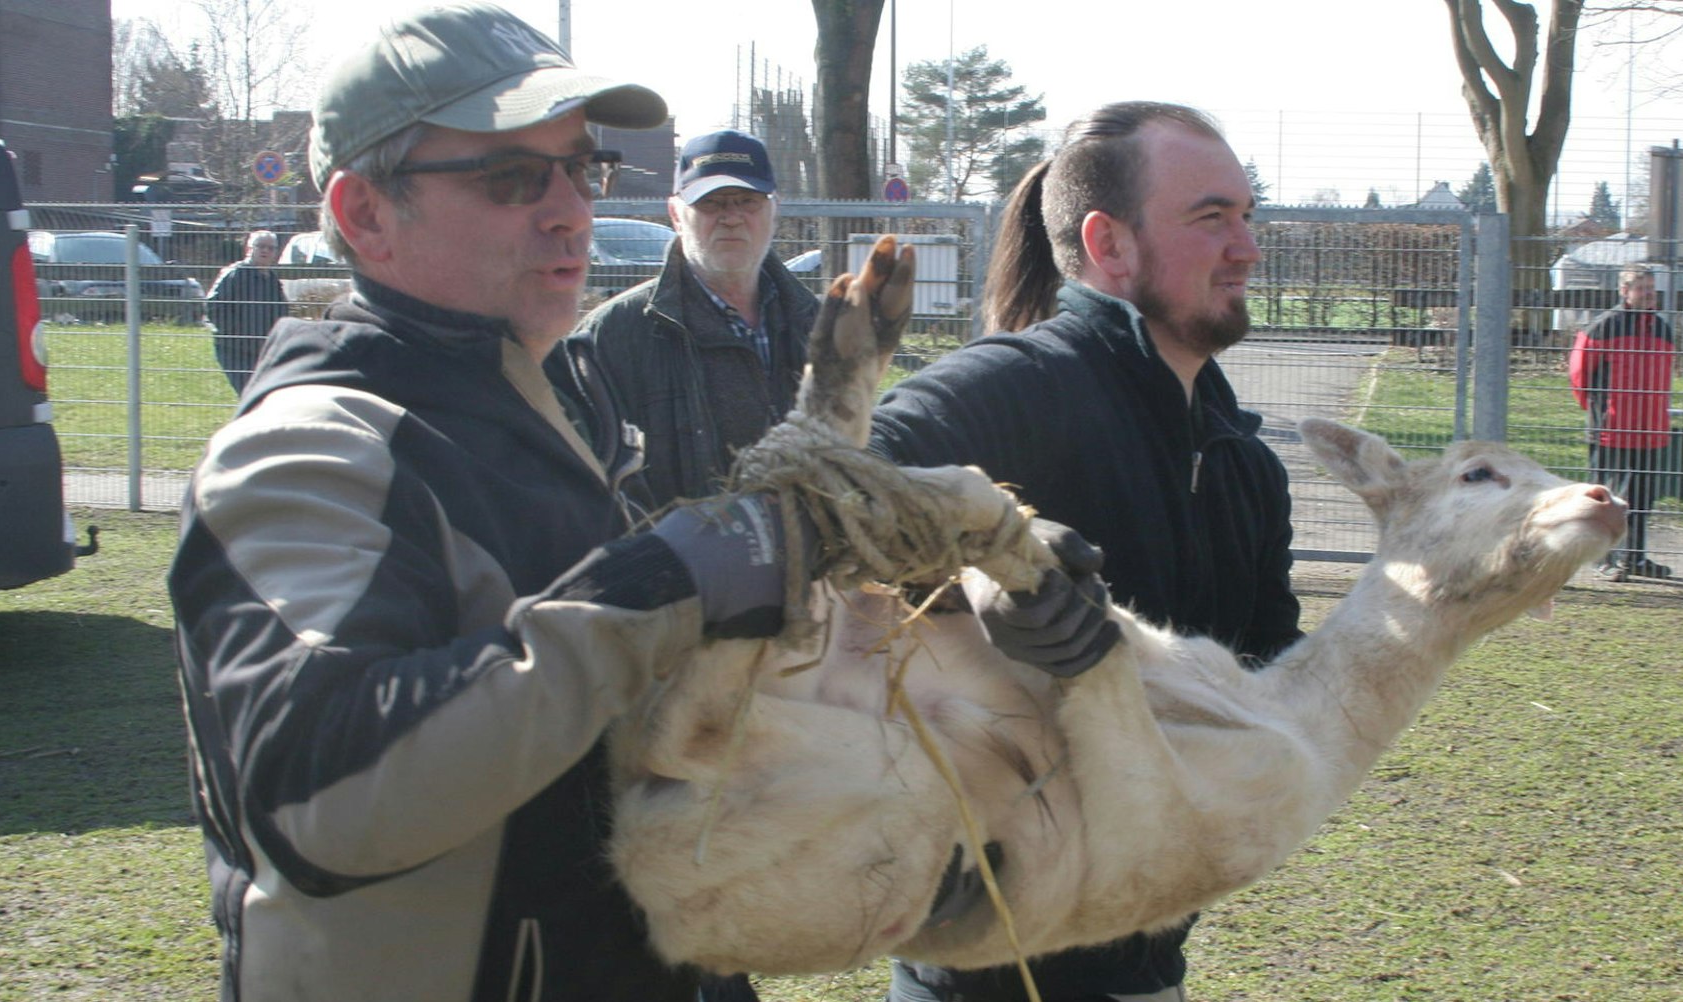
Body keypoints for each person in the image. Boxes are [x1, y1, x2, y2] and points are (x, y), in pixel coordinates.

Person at [168, 5, 1112, 999]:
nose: (570, 211)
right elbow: (324, 798)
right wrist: (671, 577)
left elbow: (626, 700)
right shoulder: (308, 450)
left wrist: (973, 598)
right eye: (511, 176)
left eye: (581, 169)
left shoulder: (530, 405)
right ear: (364, 213)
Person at [868, 100, 1304, 1002]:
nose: (1247, 248)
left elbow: (1268, 686)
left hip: (1143, 960)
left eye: (1247, 215)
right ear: (1110, 244)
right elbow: (844, 489)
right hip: (983, 969)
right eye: (1211, 218)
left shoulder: (1242, 461)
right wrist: (979, 576)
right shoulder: (1013, 388)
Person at [561, 129, 819, 510]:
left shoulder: (818, 327)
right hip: (672, 547)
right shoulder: (612, 338)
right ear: (675, 214)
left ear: (774, 210)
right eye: (710, 203)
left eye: (747, 201)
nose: (731, 217)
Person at [1569, 265, 1678, 582]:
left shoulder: (1662, 329)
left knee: (1642, 498)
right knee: (1607, 499)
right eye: (1642, 288)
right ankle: (1603, 558)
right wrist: (1597, 411)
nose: (1649, 294)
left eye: (1651, 288)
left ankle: (1634, 558)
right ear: (1624, 291)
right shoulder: (1604, 326)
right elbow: (1579, 374)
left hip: (1651, 430)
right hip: (1612, 430)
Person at [203, 229, 290, 392]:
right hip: (235, 350)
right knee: (249, 392)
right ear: (250, 248)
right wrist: (235, 332)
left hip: (262, 349)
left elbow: (281, 312)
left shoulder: (272, 279)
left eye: (271, 248)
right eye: (261, 246)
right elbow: (214, 306)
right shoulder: (235, 274)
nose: (265, 251)